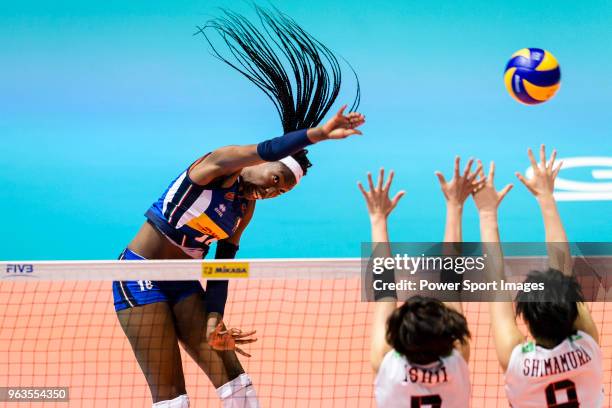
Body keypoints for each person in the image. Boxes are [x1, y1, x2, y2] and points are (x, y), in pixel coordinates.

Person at [113, 6, 364, 408]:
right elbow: (267, 147)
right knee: (173, 400)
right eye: (277, 180)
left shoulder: (242, 209)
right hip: (140, 277)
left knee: (240, 391)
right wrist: (316, 134)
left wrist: (214, 316)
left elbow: (223, 264)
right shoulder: (217, 166)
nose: (274, 191)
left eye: (284, 192)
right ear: (264, 166)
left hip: (183, 285)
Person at [474, 146, 603, 408]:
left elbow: (496, 286)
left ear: (526, 319)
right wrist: (546, 197)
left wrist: (487, 215)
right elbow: (562, 269)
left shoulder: (517, 361)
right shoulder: (587, 348)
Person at [360, 160, 479, 408]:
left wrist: (378, 220)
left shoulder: (387, 364)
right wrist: (455, 206)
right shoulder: (456, 360)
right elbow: (450, 284)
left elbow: (384, 291)